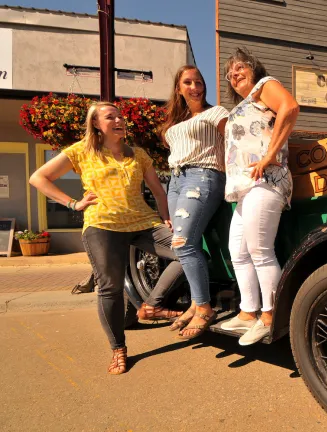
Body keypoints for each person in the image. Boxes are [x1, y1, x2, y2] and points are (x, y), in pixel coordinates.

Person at [29, 101, 183, 375]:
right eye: (110, 116)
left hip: (142, 222)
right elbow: (39, 178)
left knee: (188, 253)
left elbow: (159, 191)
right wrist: (72, 203)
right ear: (97, 125)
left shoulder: (139, 155)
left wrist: (165, 218)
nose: (119, 119)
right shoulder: (82, 151)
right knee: (110, 287)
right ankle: (118, 349)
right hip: (103, 224)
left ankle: (151, 305)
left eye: (120, 116)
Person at [220, 48, 300, 345]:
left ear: (254, 68)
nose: (234, 74)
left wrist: (269, 155)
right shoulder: (245, 104)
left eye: (239, 67)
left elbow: (290, 108)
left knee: (259, 251)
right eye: (230, 73)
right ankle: (247, 313)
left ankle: (270, 316)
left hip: (266, 181)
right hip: (246, 187)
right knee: (238, 253)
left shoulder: (264, 86)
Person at [159, 65, 230, 340]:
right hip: (176, 180)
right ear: (179, 88)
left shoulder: (216, 113)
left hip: (203, 175)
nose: (194, 86)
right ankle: (195, 302)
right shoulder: (175, 124)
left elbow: (235, 142)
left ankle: (204, 307)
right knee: (182, 246)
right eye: (187, 82)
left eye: (198, 81)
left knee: (184, 244)